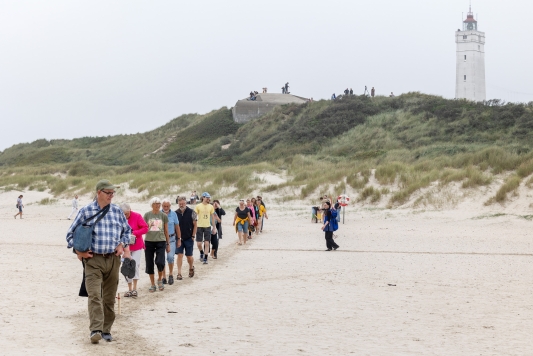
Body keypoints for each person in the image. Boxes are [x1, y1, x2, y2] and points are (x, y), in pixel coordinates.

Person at [66, 179, 132, 344]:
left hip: (113, 260)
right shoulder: (86, 211)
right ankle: (95, 330)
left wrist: (122, 245)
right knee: (95, 295)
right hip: (93, 260)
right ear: (99, 193)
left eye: (112, 193)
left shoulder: (117, 211)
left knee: (109, 298)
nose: (111, 196)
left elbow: (128, 232)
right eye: (108, 193)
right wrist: (79, 251)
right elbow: (70, 235)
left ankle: (106, 330)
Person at [120, 203, 149, 298]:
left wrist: (134, 233)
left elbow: (145, 228)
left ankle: (135, 289)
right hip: (124, 246)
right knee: (126, 266)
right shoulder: (119, 218)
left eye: (126, 214)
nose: (125, 216)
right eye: (123, 214)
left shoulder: (137, 216)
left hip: (137, 246)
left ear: (130, 210)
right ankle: (129, 289)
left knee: (135, 265)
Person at [143, 197, 170, 293]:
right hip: (149, 241)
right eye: (156, 204)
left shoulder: (163, 216)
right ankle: (152, 284)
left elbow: (166, 230)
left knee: (160, 262)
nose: (158, 205)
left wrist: (168, 244)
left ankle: (159, 279)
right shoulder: (147, 215)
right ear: (152, 205)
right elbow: (143, 228)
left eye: (159, 203)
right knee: (149, 263)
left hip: (161, 241)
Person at [175, 196, 195, 279]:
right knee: (179, 255)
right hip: (179, 238)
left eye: (183, 203)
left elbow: (195, 224)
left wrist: (193, 235)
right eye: (180, 203)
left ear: (186, 203)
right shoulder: (175, 213)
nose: (181, 205)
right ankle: (179, 273)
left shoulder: (192, 212)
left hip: (189, 237)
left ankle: (191, 267)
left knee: (189, 256)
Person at [161, 199, 180, 285]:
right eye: (164, 206)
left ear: (170, 206)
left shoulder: (174, 214)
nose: (166, 208)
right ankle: (164, 276)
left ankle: (171, 274)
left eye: (167, 206)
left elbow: (177, 227)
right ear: (162, 206)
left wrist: (179, 239)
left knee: (170, 257)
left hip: (172, 239)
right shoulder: (159, 214)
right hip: (161, 239)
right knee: (162, 259)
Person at [194, 192, 217, 264]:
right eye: (207, 198)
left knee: (207, 243)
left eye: (209, 198)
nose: (208, 199)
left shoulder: (211, 206)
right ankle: (201, 252)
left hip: (207, 226)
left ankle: (206, 258)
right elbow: (194, 216)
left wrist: (214, 227)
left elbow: (213, 217)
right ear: (203, 198)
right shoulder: (198, 206)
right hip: (199, 226)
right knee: (199, 243)